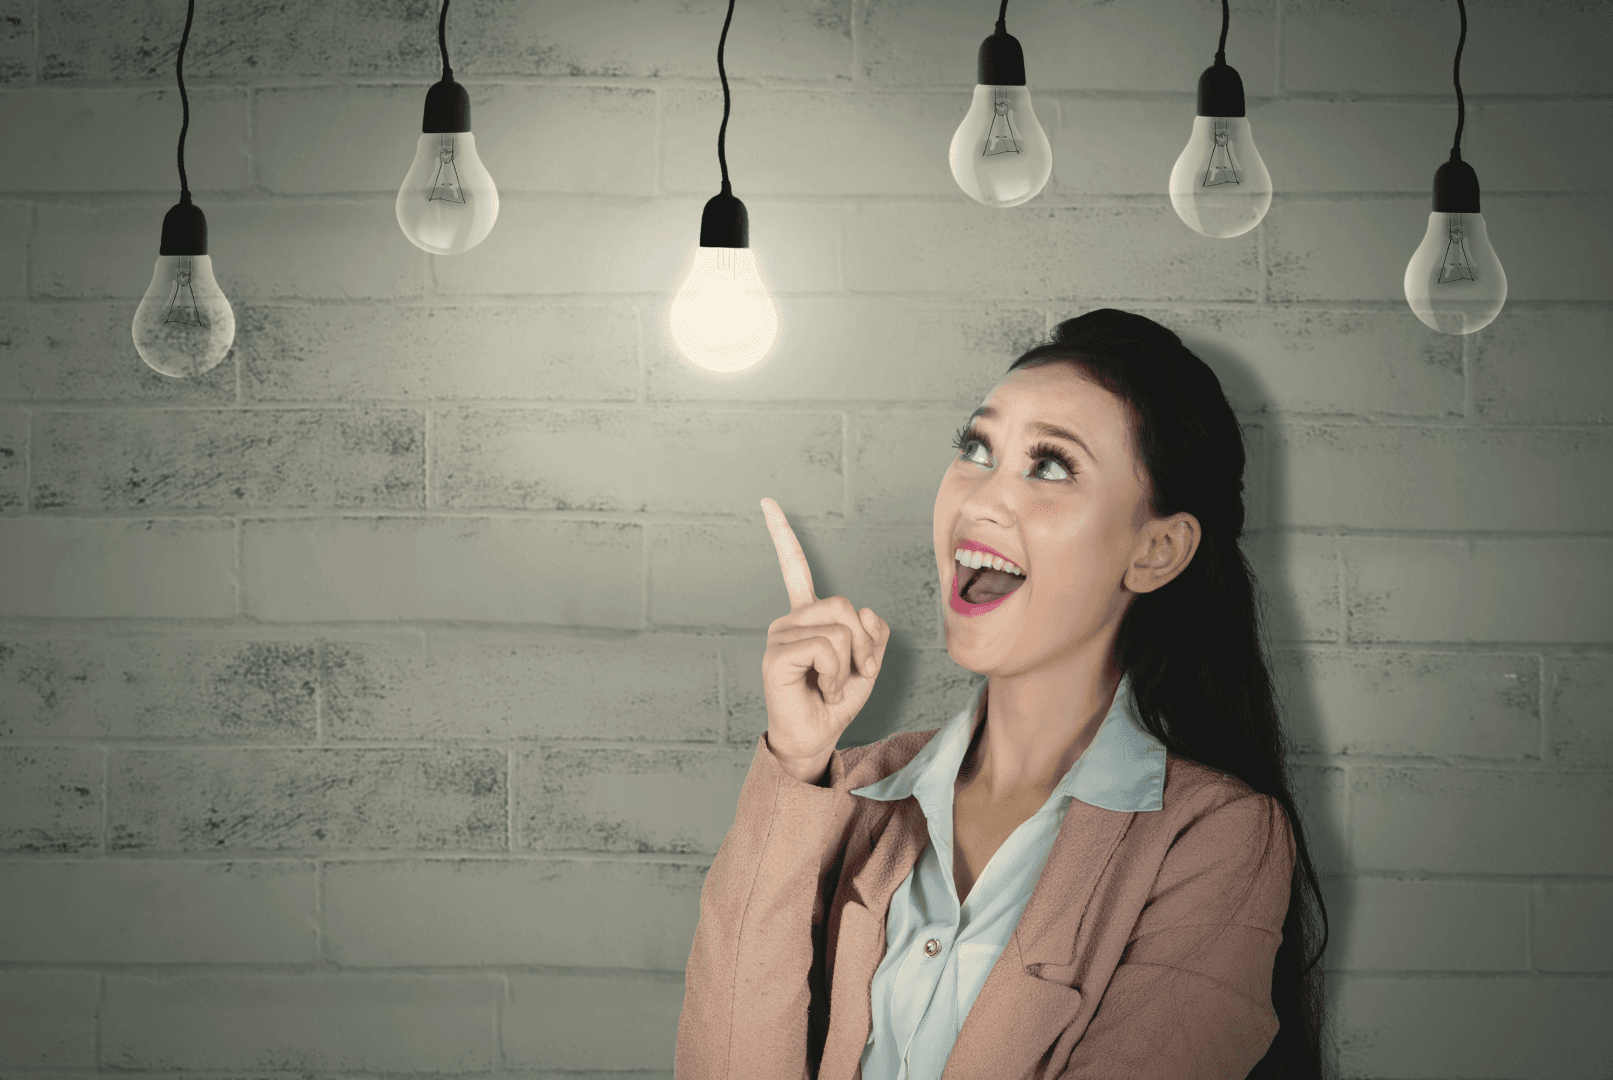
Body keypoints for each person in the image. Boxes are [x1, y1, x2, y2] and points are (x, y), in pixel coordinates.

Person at [674, 308, 1330, 1080]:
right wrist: (795, 761)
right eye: (976, 449)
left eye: (1049, 465)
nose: (979, 498)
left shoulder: (1217, 837)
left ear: (1157, 550)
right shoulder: (846, 793)